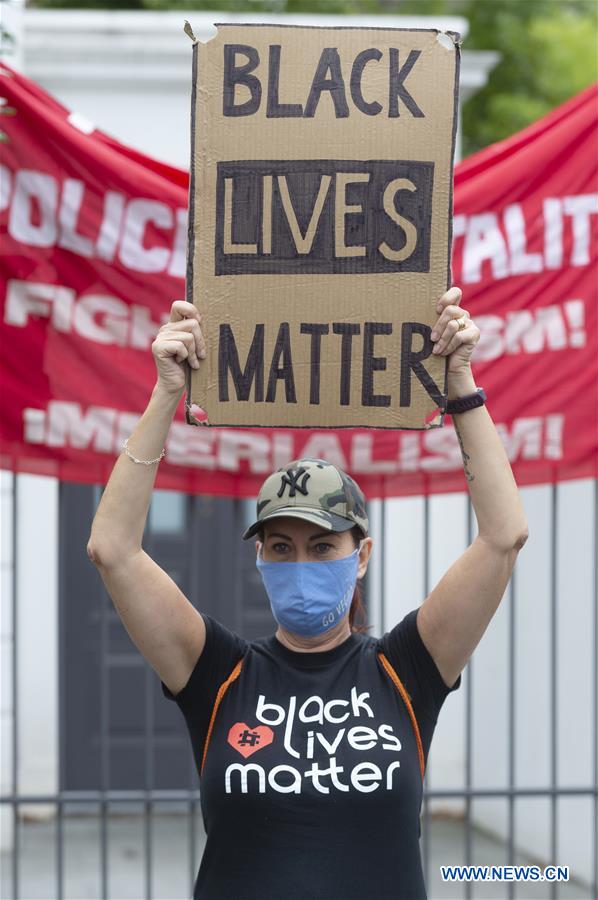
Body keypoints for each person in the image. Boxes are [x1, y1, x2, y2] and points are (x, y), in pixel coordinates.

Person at [87, 286, 529, 900]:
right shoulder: (217, 673)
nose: (300, 563)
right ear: (260, 557)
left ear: (362, 556)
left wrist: (460, 384)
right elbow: (113, 549)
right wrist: (167, 392)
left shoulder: (407, 668)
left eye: (323, 548)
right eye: (281, 548)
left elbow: (504, 536)